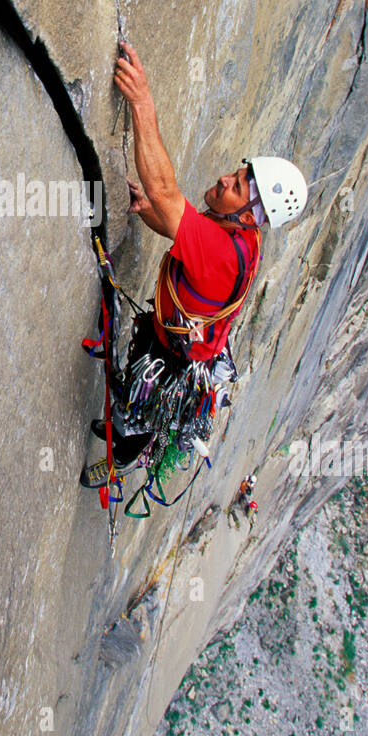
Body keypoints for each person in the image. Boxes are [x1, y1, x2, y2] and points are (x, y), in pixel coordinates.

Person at [83, 41, 308, 483]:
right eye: (239, 172)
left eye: (239, 185)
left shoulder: (224, 251)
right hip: (181, 342)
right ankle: (119, 430)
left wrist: (142, 102)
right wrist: (148, 208)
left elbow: (169, 196)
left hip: (175, 354)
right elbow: (174, 223)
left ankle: (119, 459)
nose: (227, 177)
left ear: (248, 215)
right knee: (136, 390)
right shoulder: (238, 234)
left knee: (140, 411)